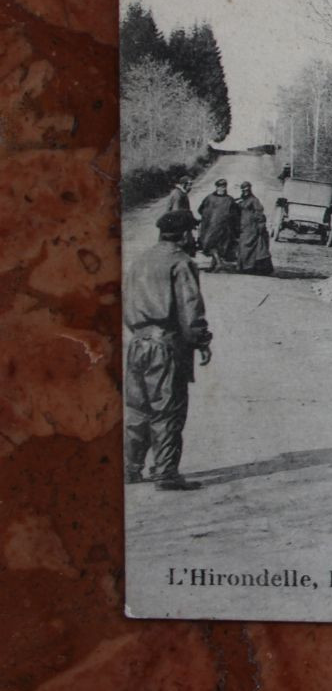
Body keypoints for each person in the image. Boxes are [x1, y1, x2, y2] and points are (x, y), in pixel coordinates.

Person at [125, 210, 213, 490]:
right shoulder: (181, 262)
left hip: (138, 343)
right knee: (167, 410)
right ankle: (165, 473)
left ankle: (130, 468)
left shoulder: (141, 260)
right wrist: (201, 340)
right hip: (166, 346)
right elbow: (190, 310)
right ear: (186, 234)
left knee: (138, 409)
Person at [194, 178, 238, 271]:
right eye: (221, 187)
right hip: (211, 227)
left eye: (224, 186)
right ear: (217, 187)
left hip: (224, 228)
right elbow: (201, 210)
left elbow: (235, 214)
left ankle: (215, 265)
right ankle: (217, 263)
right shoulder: (209, 198)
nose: (223, 188)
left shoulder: (230, 200)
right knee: (209, 244)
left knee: (219, 246)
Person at [236, 181, 274, 275]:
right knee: (243, 247)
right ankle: (245, 267)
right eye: (244, 190)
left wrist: (260, 225)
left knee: (249, 247)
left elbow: (259, 213)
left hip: (252, 227)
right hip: (243, 227)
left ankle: (249, 267)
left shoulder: (254, 200)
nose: (246, 191)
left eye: (247, 189)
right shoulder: (241, 200)